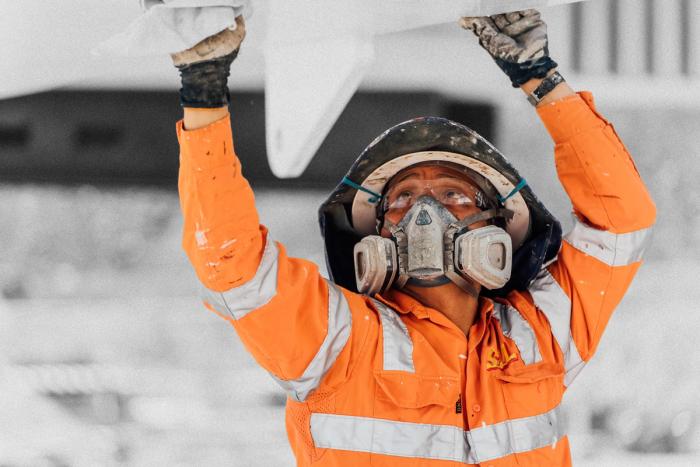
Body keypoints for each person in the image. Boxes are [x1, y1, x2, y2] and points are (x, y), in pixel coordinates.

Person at [173, 10, 656, 466]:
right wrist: (204, 94)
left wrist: (540, 78)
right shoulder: (339, 343)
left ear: (496, 229)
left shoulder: (541, 337)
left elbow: (622, 220)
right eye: (402, 199)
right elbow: (232, 263)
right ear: (378, 235)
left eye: (453, 194)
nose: (425, 214)